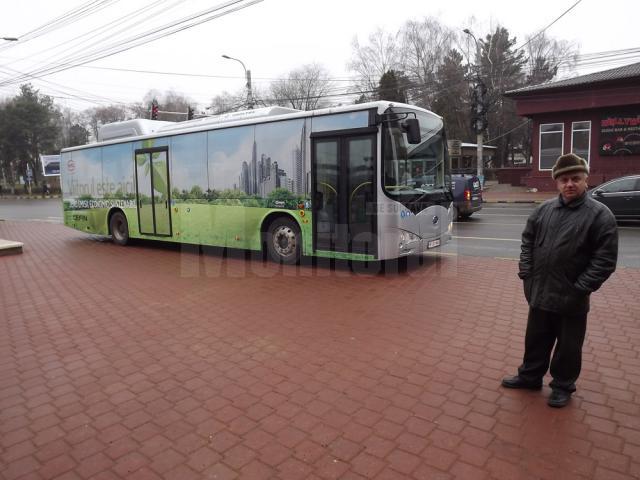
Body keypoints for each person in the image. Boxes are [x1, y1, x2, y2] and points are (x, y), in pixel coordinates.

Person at [501, 153, 618, 408]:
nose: (569, 184)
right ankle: (530, 376)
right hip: (540, 291)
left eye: (575, 178)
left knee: (568, 347)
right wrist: (527, 274)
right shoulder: (544, 210)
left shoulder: (600, 215)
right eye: (564, 179)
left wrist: (580, 288)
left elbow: (604, 261)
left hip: (572, 297)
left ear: (586, 180)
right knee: (536, 339)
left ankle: (562, 386)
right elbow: (528, 242)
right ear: (557, 182)